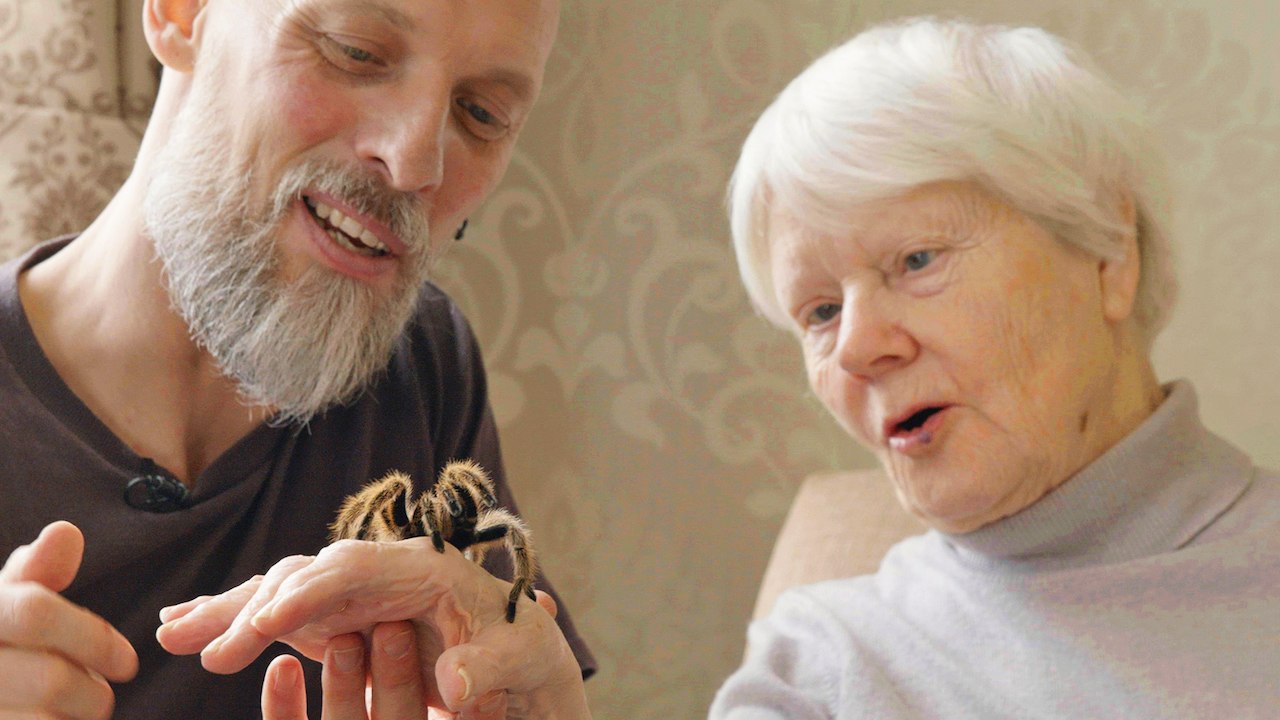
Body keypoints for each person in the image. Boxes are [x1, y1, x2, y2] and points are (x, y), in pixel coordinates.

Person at [0, 0, 596, 717]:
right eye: (354, 51)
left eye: (480, 114)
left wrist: (546, 707)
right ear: (182, 15)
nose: (414, 161)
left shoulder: (425, 367)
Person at [709, 17, 1279, 719]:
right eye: (820, 312)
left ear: (1109, 252)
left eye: (917, 260)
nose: (856, 348)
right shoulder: (822, 665)